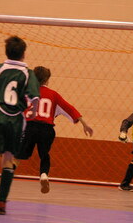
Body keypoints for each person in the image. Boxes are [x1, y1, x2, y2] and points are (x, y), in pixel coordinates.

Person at [0, 36, 40, 216]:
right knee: (8, 160)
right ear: (24, 54)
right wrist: (34, 111)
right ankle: (1, 203)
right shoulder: (29, 73)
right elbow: (35, 98)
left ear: (7, 52)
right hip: (16, 119)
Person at [15, 66, 93, 194]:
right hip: (47, 129)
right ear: (47, 80)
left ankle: (8, 174)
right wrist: (85, 124)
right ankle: (44, 175)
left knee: (18, 155)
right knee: (44, 155)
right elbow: (70, 108)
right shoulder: (54, 95)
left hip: (30, 127)